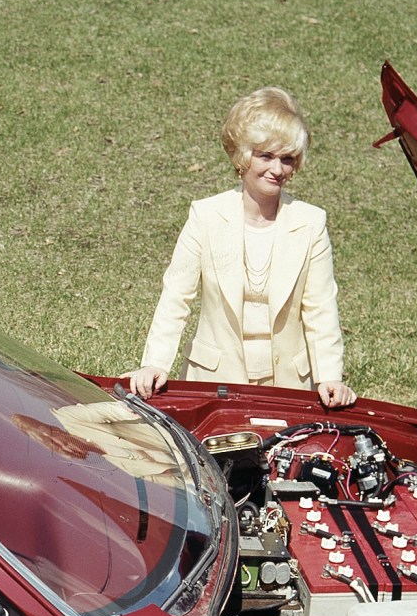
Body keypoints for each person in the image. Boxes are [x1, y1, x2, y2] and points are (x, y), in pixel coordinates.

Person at [126, 87, 356, 409]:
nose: (277, 170)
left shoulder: (311, 223)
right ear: (242, 157)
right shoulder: (205, 216)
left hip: (289, 389)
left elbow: (320, 308)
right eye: (266, 156)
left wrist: (329, 375)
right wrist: (155, 363)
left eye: (287, 159)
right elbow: (175, 297)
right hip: (213, 384)